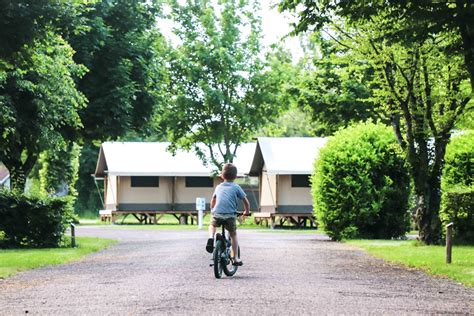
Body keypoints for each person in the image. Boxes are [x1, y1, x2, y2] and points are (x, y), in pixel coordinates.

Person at [206, 163, 250, 266]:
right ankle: (235, 258)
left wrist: (212, 209)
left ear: (221, 175)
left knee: (212, 225)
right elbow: (246, 202)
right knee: (233, 234)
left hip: (217, 213)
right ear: (235, 177)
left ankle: (211, 237)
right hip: (230, 215)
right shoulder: (236, 187)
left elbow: (213, 199)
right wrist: (246, 212)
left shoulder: (218, 187)